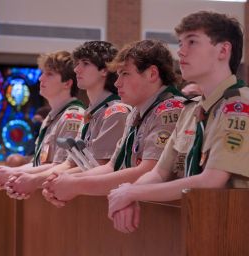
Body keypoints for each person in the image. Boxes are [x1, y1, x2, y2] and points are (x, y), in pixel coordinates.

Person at [107, 10, 249, 233]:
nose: (181, 51)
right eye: (180, 42)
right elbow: (159, 173)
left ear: (223, 50)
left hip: (232, 229)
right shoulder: (191, 110)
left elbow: (212, 180)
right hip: (196, 225)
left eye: (192, 42)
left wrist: (133, 193)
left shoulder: (240, 107)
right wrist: (128, 194)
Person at [42, 39, 185, 207]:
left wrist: (75, 184)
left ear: (152, 74)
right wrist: (65, 180)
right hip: (141, 205)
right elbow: (113, 166)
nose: (117, 83)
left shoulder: (169, 110)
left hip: (169, 212)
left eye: (125, 74)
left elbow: (148, 171)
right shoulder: (136, 113)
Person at [5, 41, 130, 199]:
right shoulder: (90, 113)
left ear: (104, 70)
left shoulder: (114, 111)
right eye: (77, 64)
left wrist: (37, 179)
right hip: (80, 194)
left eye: (85, 63)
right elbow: (70, 164)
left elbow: (99, 166)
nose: (77, 69)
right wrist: (20, 174)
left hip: (99, 198)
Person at [0, 50, 85, 191]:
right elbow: (40, 163)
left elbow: (62, 166)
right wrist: (10, 171)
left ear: (67, 83)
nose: (41, 78)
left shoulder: (73, 117)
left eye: (49, 74)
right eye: (42, 73)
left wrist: (14, 173)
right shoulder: (52, 116)